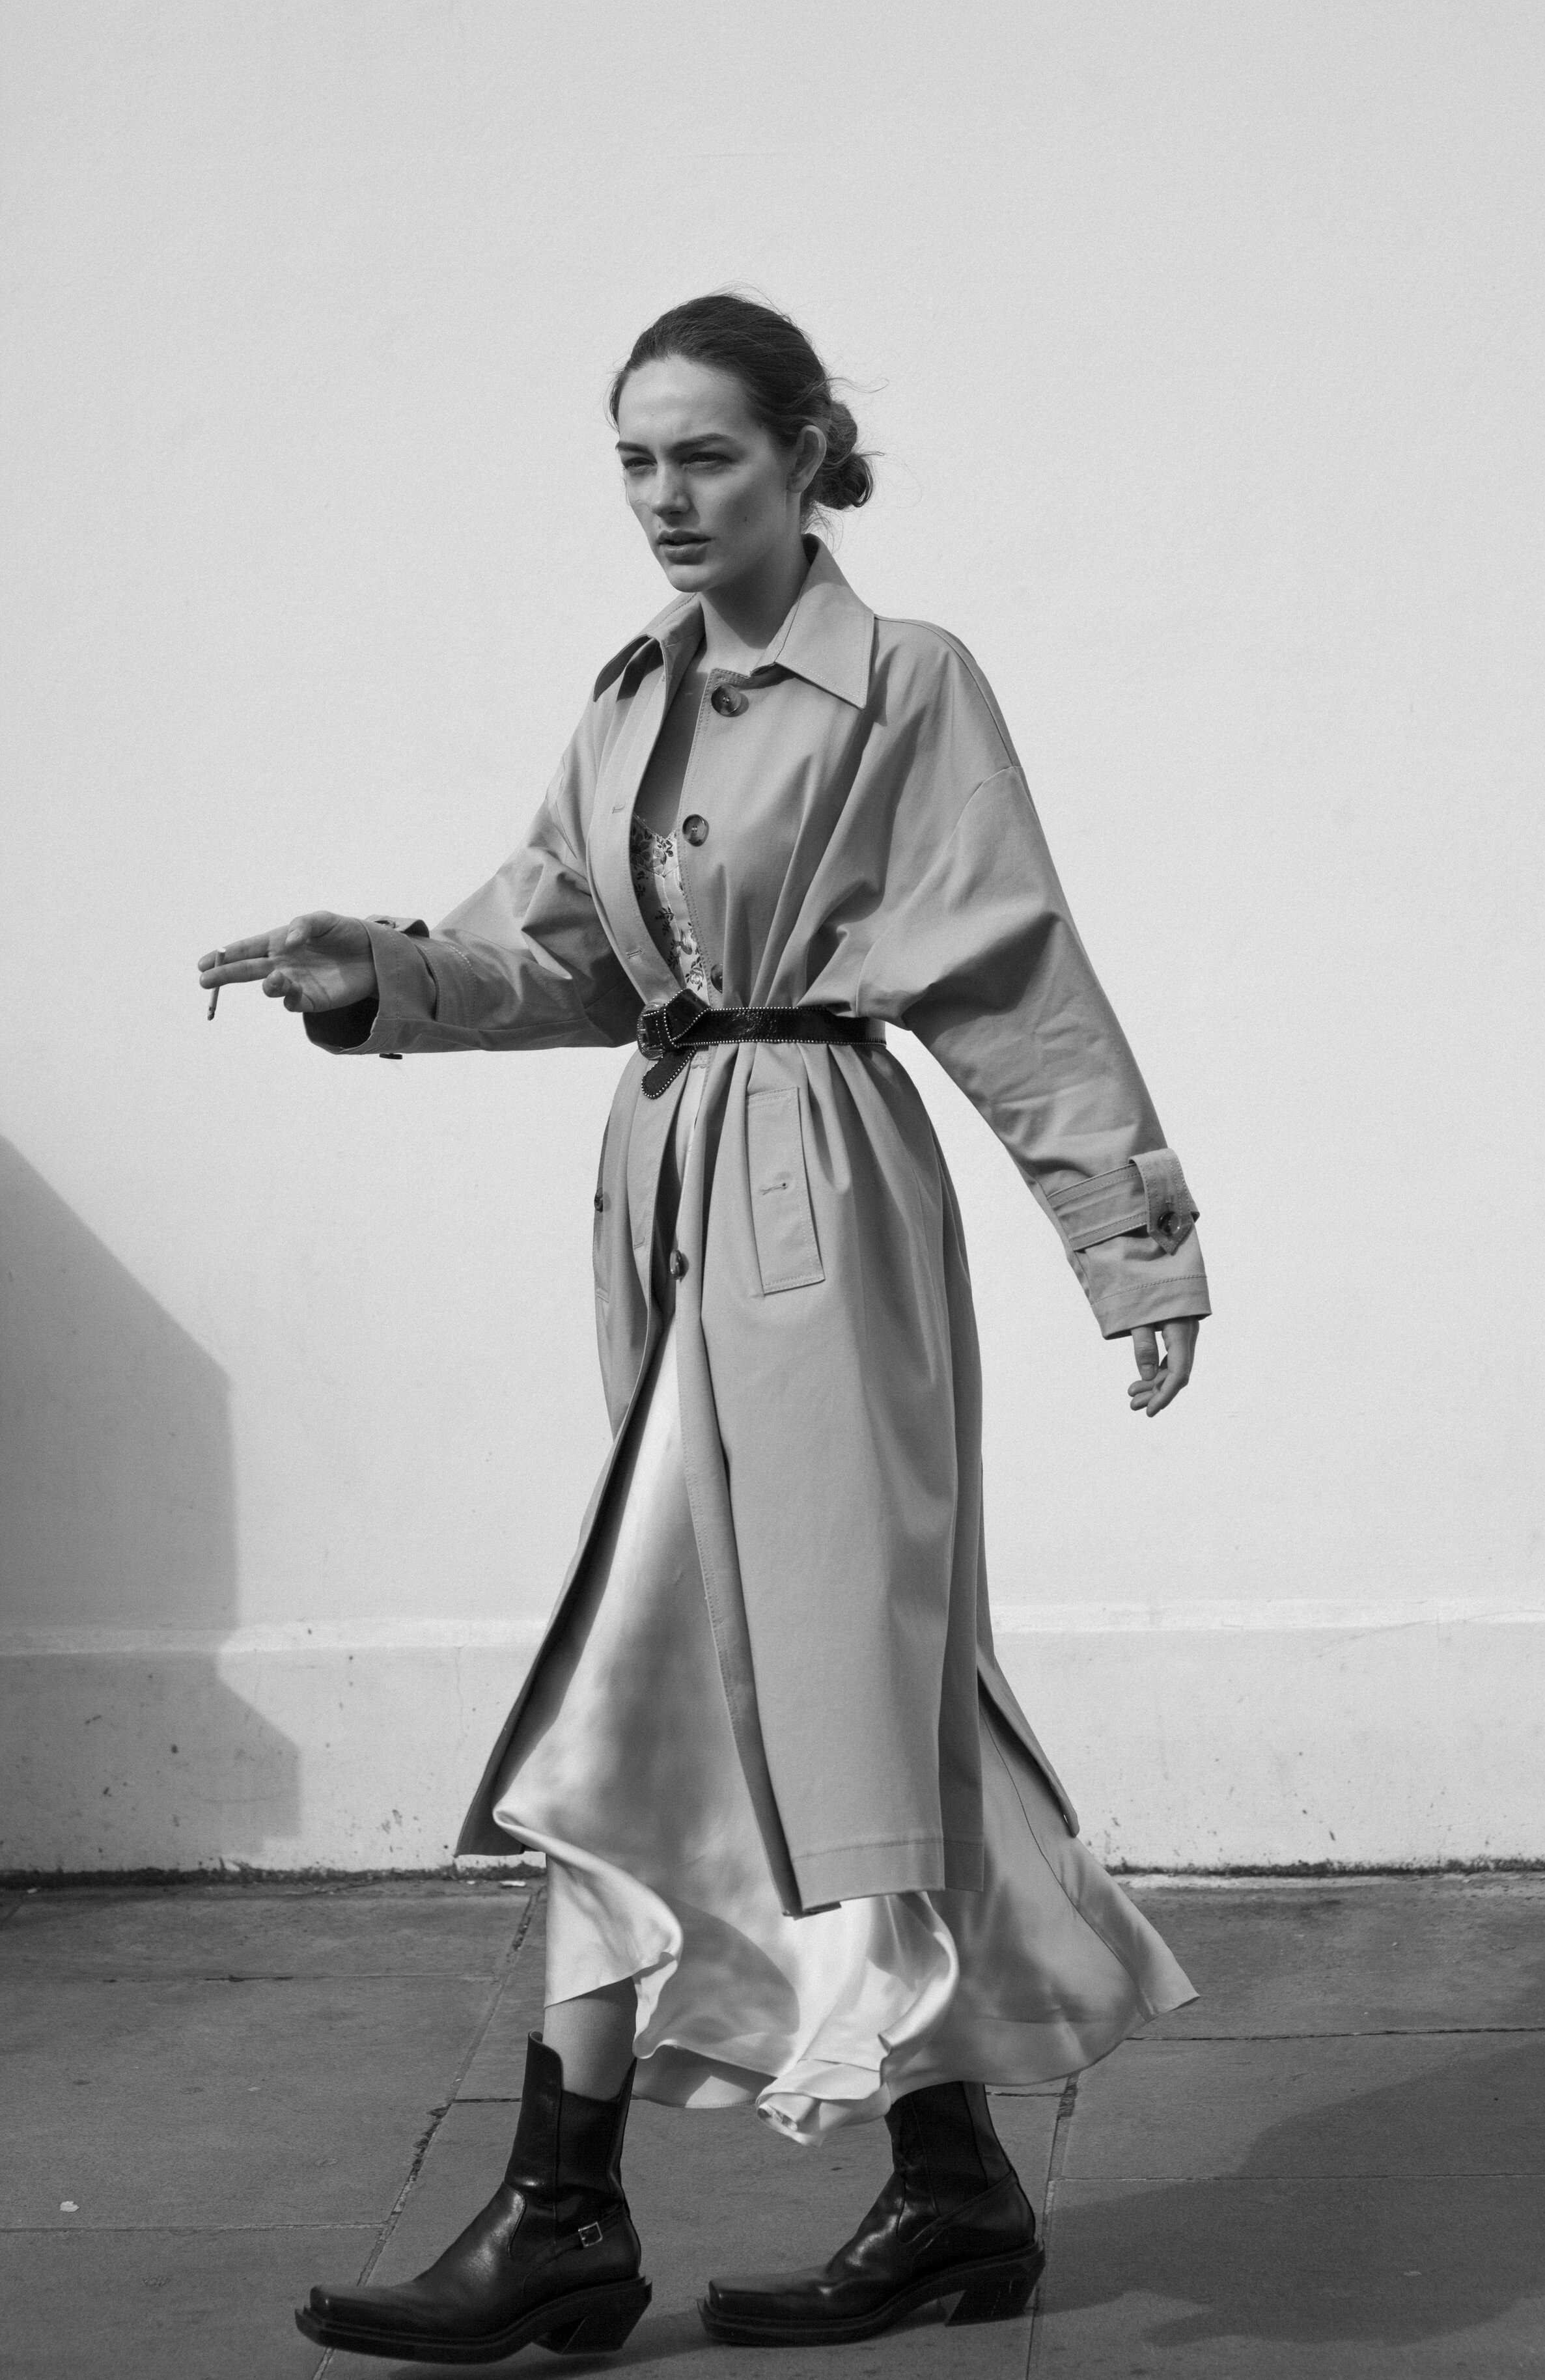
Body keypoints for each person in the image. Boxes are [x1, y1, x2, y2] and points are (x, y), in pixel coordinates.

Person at [200, 293, 1210, 2361]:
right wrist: (376, 966)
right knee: (744, 1699)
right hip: (675, 1203)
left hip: (818, 1203)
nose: (665, 498)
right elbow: (561, 955)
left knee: (699, 1692)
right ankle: (939, 2194)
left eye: (707, 456)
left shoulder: (902, 684)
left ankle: (564, 2213)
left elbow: (1013, 975)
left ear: (806, 452)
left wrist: (1133, 1248)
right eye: (636, 461)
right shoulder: (629, 700)